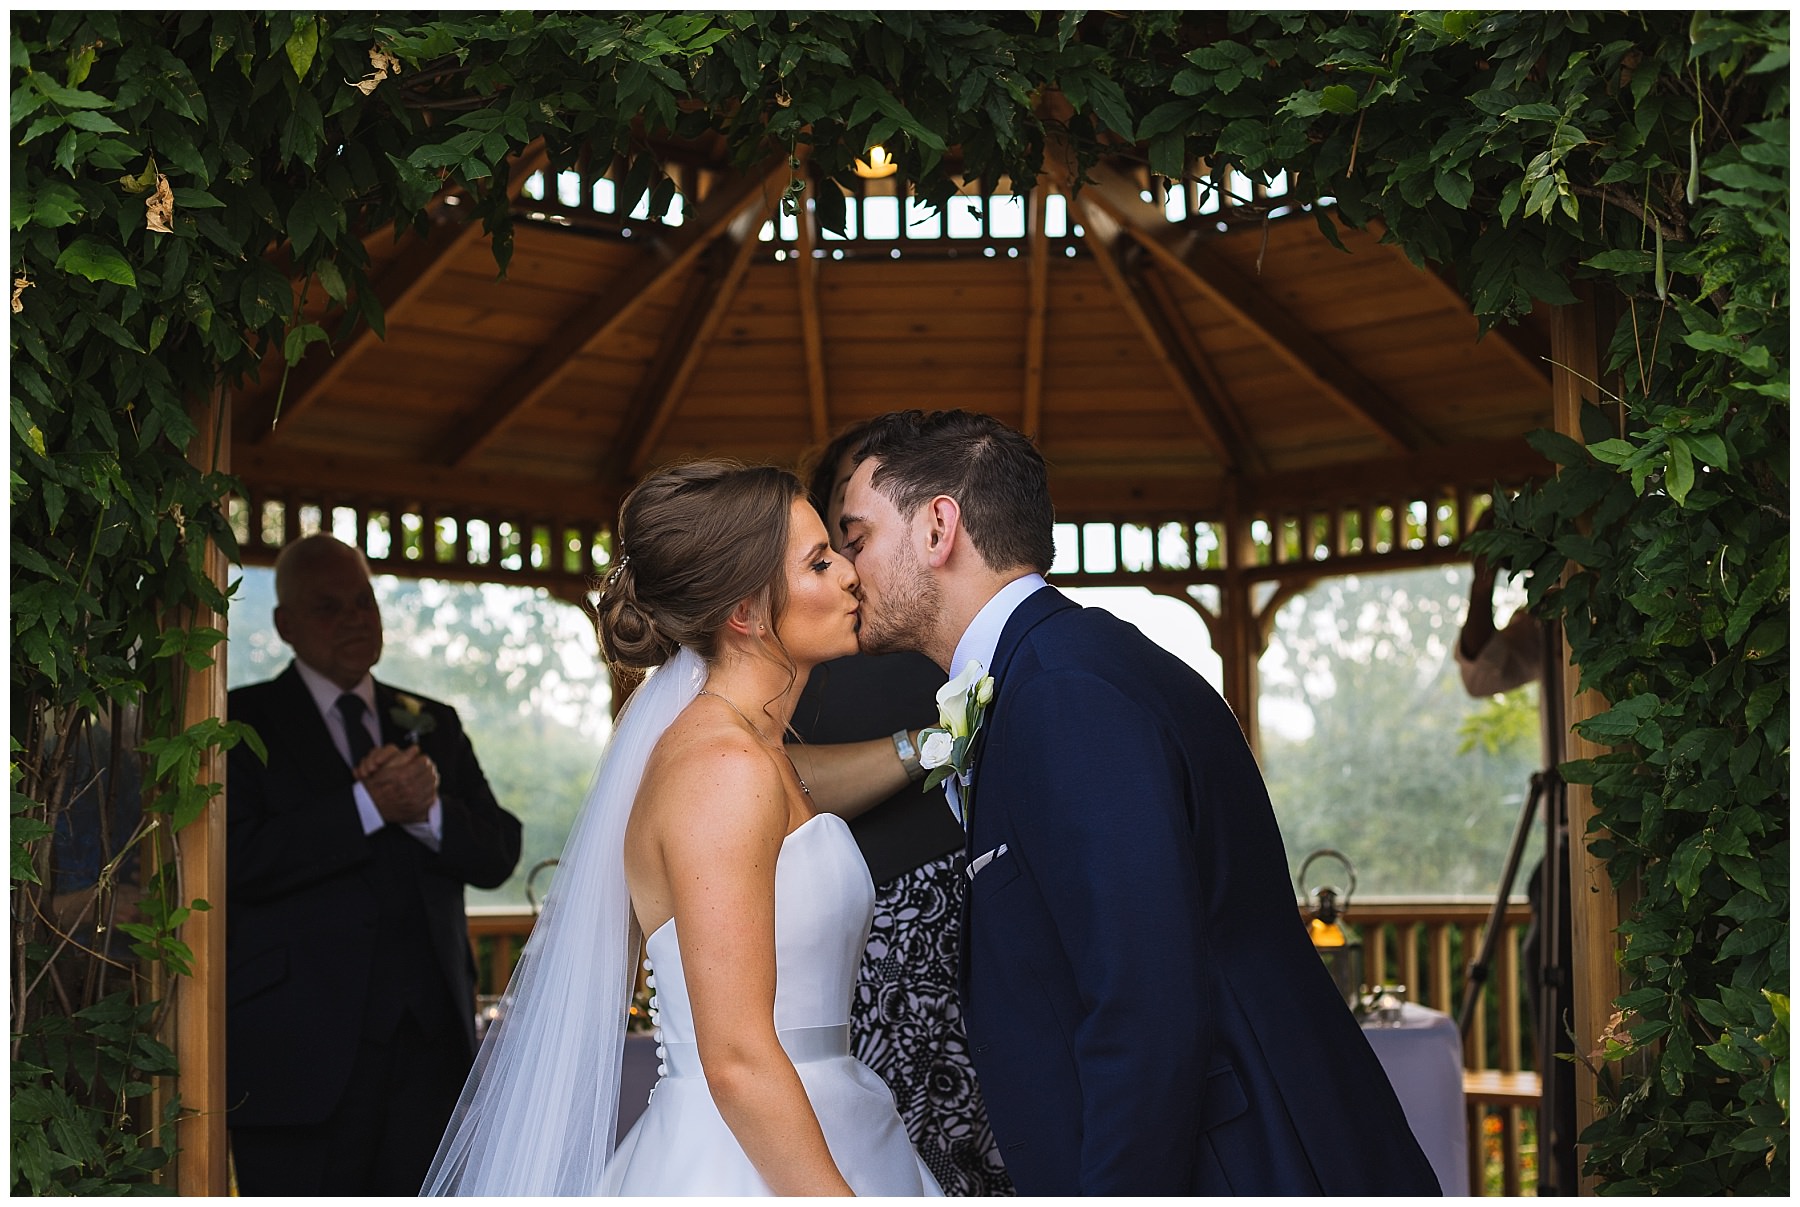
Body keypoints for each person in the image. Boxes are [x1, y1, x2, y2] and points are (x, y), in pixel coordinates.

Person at [836, 409, 1442, 1196]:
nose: (850, 570)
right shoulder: (1052, 669)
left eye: (856, 536)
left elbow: (1143, 1003)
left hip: (1239, 1162)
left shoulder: (1065, 692)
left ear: (938, 527)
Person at [424, 461, 940, 1195]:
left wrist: (931, 745)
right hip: (745, 1157)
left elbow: (807, 784)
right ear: (745, 612)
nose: (850, 575)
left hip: (837, 1117)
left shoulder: (757, 754)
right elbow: (732, 1054)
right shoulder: (720, 768)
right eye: (820, 561)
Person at [226, 535, 523, 1196]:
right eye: (330, 607)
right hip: (297, 1051)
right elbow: (238, 862)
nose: (357, 618)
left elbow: (499, 851)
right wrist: (365, 805)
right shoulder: (240, 723)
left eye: (364, 600)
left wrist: (427, 812)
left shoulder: (431, 721)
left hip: (428, 1048)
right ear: (286, 625)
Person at [790, 423, 1014, 1196]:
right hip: (883, 945)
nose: (854, 565)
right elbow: (775, 779)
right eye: (840, 539)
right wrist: (933, 743)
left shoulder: (931, 625)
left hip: (985, 926)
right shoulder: (802, 647)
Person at [1457, 515, 1579, 1197]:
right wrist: (1483, 576)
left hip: (1598, 825)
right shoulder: (1549, 606)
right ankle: (1564, 1167)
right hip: (1559, 832)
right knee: (1545, 969)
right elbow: (1482, 673)